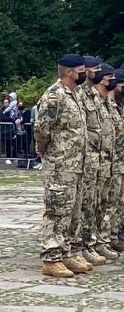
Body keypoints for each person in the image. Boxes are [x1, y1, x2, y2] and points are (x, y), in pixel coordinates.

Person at [36, 54, 90, 278]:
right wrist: (45, 151)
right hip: (60, 164)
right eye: (81, 70)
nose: (84, 74)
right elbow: (42, 128)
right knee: (56, 211)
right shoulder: (55, 95)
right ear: (70, 72)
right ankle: (52, 257)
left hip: (76, 164)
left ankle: (67, 252)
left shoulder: (75, 95)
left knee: (72, 211)